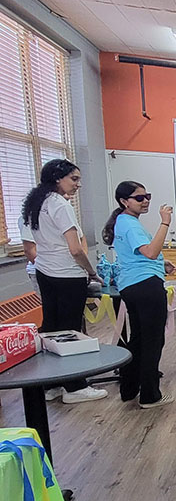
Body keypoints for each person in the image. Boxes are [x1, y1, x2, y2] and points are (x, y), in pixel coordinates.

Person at [19, 159, 107, 404]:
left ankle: (52, 384)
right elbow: (75, 249)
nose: (78, 185)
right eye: (74, 179)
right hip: (67, 275)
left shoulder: (37, 203)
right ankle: (75, 386)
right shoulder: (60, 204)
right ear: (58, 178)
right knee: (70, 331)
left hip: (45, 272)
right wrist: (91, 272)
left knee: (51, 327)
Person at [102, 181, 176, 408]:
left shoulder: (124, 222)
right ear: (124, 201)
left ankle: (130, 388)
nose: (146, 201)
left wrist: (161, 264)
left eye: (147, 196)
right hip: (146, 287)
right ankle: (150, 395)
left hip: (133, 285)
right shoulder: (130, 225)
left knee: (139, 339)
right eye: (139, 198)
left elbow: (139, 256)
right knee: (152, 341)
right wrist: (165, 222)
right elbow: (151, 252)